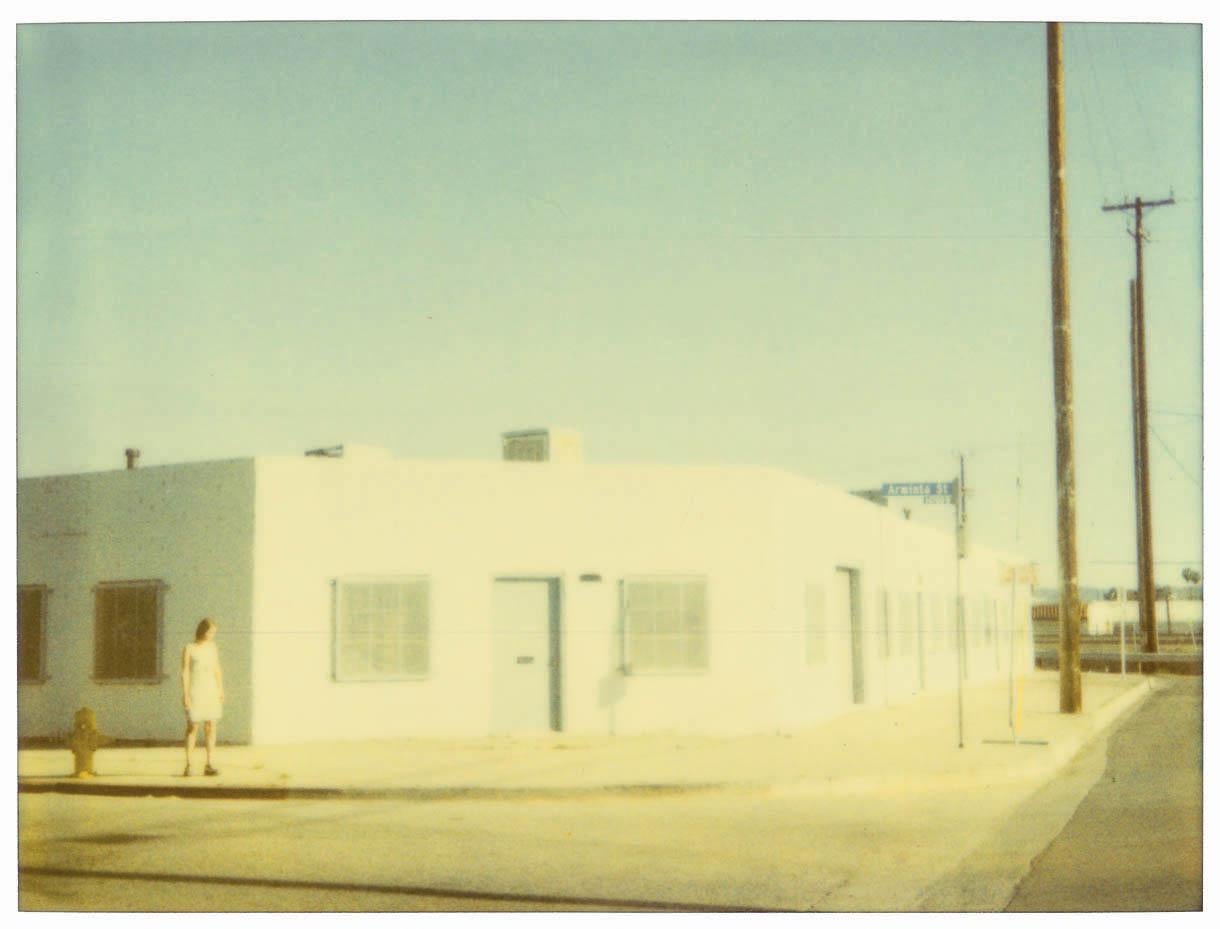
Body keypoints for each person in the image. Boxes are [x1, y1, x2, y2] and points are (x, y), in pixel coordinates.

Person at [182, 618, 224, 776]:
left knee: (211, 725)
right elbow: (185, 671)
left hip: (210, 690)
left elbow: (217, 668)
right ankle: (189, 764)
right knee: (193, 726)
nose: (212, 635)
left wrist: (221, 689)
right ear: (202, 631)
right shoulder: (189, 648)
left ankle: (209, 763)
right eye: (210, 631)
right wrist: (185, 693)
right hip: (196, 690)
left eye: (214, 632)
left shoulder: (212, 648)